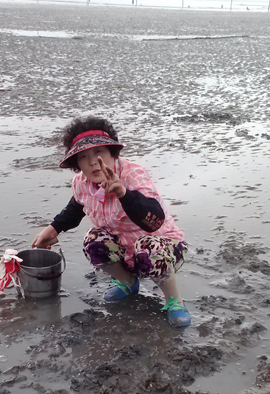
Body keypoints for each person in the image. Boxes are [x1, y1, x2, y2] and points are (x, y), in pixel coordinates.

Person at [32, 116, 191, 328]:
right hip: (127, 249)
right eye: (83, 157)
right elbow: (75, 207)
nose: (92, 162)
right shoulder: (82, 182)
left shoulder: (133, 173)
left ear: (111, 153)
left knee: (148, 248)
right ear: (77, 164)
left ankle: (174, 301)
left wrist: (124, 193)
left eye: (99, 153)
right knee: (93, 240)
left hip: (162, 247)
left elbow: (154, 221)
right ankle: (128, 282)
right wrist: (53, 229)